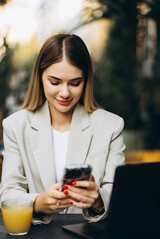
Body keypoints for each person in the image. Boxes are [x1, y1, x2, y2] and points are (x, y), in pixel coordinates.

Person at [0, 34, 126, 224]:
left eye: (75, 83)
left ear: (86, 80)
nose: (65, 93)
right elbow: (8, 194)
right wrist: (37, 202)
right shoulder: (16, 126)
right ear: (40, 77)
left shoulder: (111, 126)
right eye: (55, 82)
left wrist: (98, 199)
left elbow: (119, 195)